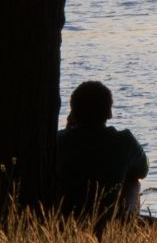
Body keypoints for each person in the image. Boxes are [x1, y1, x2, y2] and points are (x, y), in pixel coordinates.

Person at [55, 79, 149, 227]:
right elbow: (143, 171)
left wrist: (68, 129)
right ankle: (127, 223)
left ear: (74, 112)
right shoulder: (124, 141)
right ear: (109, 113)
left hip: (65, 221)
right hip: (109, 222)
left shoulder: (58, 141)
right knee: (134, 182)